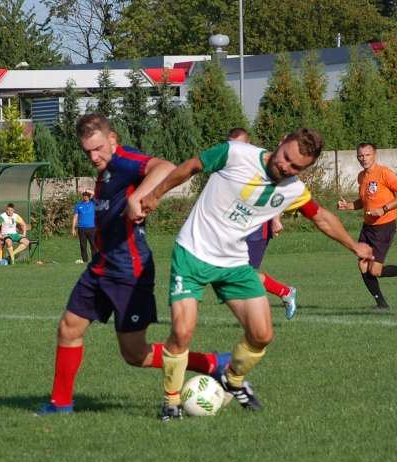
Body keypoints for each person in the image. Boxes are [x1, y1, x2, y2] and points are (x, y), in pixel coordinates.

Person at [134, 128, 374, 421]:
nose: (286, 167)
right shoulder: (235, 153)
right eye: (286, 158)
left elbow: (322, 217)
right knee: (183, 331)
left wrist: (353, 245)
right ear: (281, 140)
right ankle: (170, 402)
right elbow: (192, 165)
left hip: (234, 262)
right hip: (193, 252)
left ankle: (232, 380)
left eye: (296, 167)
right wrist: (156, 194)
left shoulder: (293, 190)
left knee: (262, 334)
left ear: (305, 169)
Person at [37, 114, 230, 416]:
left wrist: (140, 196)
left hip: (130, 270)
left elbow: (164, 167)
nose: (94, 156)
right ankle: (60, 403)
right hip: (101, 265)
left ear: (112, 139)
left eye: (98, 148)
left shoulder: (125, 160)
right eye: (87, 151)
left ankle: (213, 363)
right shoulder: (107, 171)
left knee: (135, 354)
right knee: (68, 329)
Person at [337, 143, 397, 311]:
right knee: (363, 265)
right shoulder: (361, 177)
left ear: (375, 155)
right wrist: (348, 206)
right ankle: (381, 304)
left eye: (367, 155)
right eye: (360, 156)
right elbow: (364, 202)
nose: (363, 158)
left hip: (384, 226)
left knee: (375, 271)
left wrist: (384, 209)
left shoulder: (384, 173)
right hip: (368, 227)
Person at [227, 127, 297, 320]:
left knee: (242, 273)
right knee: (236, 272)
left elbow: (280, 192)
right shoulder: (234, 163)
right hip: (238, 225)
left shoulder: (266, 164)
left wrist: (276, 218)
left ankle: (277, 298)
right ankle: (282, 293)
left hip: (257, 227)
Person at [72, 190, 97, 264]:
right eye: (84, 195)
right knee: (83, 246)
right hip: (81, 228)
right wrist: (73, 228)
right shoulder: (79, 204)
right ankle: (85, 260)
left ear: (89, 196)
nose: (85, 196)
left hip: (92, 228)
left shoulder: (93, 203)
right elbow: (75, 216)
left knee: (94, 245)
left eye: (87, 195)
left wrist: (87, 190)